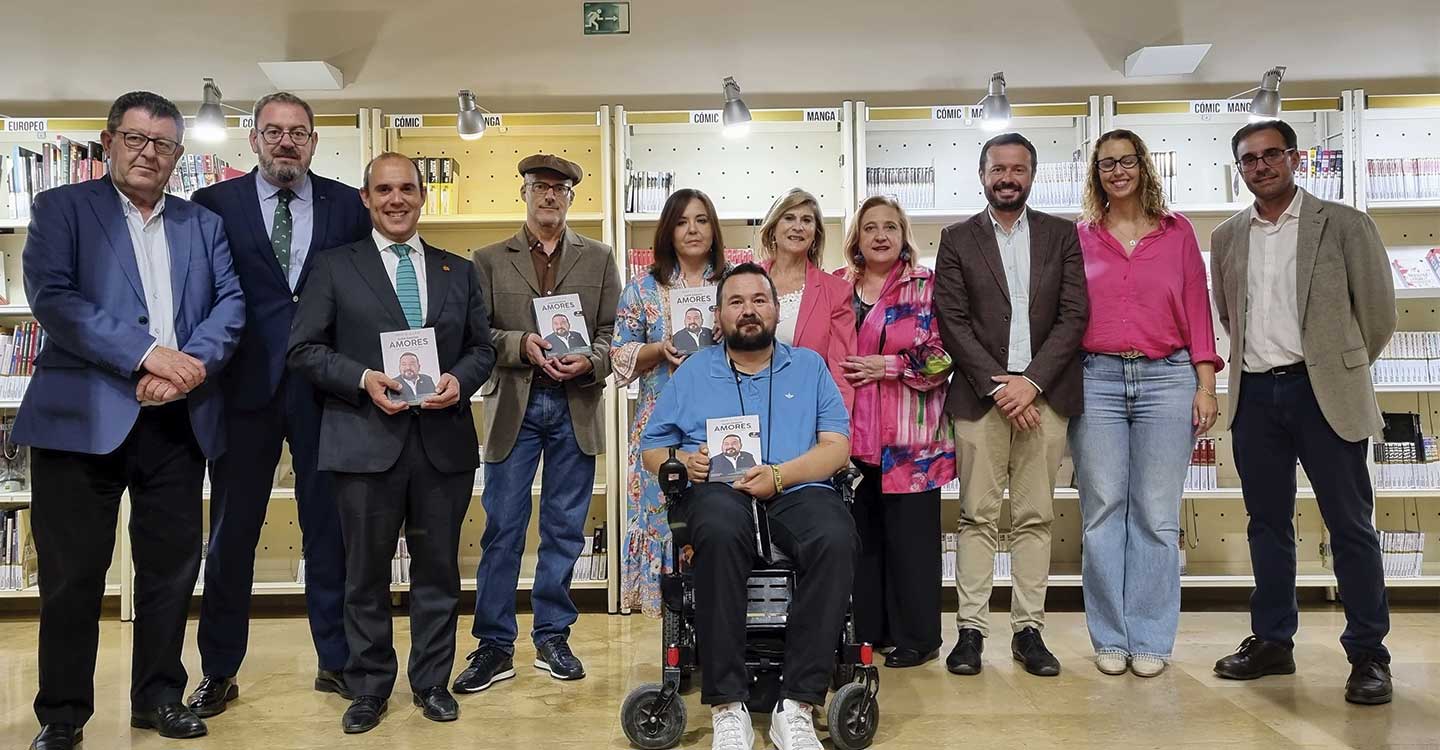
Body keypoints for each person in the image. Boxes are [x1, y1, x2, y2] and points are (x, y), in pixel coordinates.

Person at [16, 91, 245, 749]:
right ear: (110, 140)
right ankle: (62, 715)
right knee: (72, 577)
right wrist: (149, 355)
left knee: (171, 569)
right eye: (137, 139)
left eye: (164, 144)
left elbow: (229, 306)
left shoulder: (201, 224)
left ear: (178, 155)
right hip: (81, 420)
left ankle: (159, 698)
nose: (150, 153)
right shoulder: (62, 209)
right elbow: (56, 299)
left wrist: (185, 369)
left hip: (178, 421)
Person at [287, 152, 496, 733]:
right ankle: (369, 687)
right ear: (366, 198)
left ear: (423, 195)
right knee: (364, 576)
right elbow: (303, 349)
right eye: (384, 190)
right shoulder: (334, 267)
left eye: (407, 188)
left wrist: (459, 381)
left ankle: (431, 683)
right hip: (362, 443)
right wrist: (361, 379)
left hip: (441, 446)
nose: (396, 199)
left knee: (438, 574)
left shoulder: (458, 270)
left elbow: (481, 349)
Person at [186, 91, 371, 718]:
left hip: (326, 392)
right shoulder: (213, 206)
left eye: (298, 132)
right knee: (232, 535)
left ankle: (336, 661)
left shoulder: (350, 205)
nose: (285, 141)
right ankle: (217, 670)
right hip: (242, 393)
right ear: (254, 139)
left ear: (314, 141)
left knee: (330, 532)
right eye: (273, 131)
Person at [1210, 120, 1396, 705]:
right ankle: (1272, 641)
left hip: (1324, 396)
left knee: (1350, 526)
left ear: (1294, 158)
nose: (1260, 166)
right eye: (1248, 159)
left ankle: (1369, 653)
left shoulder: (1343, 224)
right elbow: (1226, 311)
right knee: (1267, 525)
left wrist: (1335, 368)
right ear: (1239, 168)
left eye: (1271, 155)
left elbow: (1378, 314)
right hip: (1255, 396)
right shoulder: (1226, 236)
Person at [640, 263, 855, 750]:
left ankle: (796, 705)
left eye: (759, 299)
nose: (749, 310)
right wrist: (683, 462)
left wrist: (781, 475)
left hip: (797, 489)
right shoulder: (695, 370)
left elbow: (836, 447)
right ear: (718, 315)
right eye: (736, 302)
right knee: (715, 527)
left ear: (777, 310)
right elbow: (653, 448)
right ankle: (727, 706)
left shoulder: (810, 366)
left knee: (837, 536)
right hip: (720, 490)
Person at [458, 154, 621, 691]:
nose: (549, 196)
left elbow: (611, 333)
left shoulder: (598, 259)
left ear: (571, 197)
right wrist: (520, 343)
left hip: (575, 404)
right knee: (502, 527)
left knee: (564, 528)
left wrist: (590, 361)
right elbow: (476, 333)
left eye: (559, 188)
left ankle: (553, 634)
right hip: (514, 408)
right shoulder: (487, 259)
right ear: (523, 193)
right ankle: (494, 645)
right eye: (539, 187)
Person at [934, 132, 1088, 678]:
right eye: (998, 168)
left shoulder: (1061, 234)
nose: (1007, 178)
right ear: (982, 175)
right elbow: (950, 318)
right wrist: (1000, 386)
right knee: (976, 515)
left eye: (1018, 169)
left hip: (1045, 399)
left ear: (1032, 175)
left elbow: (1074, 316)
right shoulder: (956, 238)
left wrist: (1032, 383)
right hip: (981, 399)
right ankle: (970, 632)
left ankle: (1029, 632)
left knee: (1035, 517)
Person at [1068, 129, 1222, 679]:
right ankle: (1110, 635)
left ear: (1143, 166)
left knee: (1157, 516)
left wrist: (1205, 384)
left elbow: (1197, 308)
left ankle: (1152, 636)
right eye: (1106, 163)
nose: (1117, 171)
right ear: (1096, 174)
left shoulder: (1177, 231)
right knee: (1103, 511)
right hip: (1097, 380)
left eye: (1126, 161)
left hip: (1168, 377)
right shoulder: (1080, 236)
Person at [836, 195, 954, 669]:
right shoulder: (839, 288)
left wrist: (884, 366)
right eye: (870, 228)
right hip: (851, 438)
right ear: (857, 239)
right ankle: (870, 630)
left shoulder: (926, 285)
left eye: (890, 226)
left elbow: (944, 358)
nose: (881, 235)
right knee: (862, 540)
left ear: (904, 235)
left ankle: (918, 637)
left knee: (913, 544)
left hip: (912, 440)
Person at [613, 188, 729, 616]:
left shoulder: (733, 283)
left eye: (701, 220)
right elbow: (620, 356)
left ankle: (717, 617)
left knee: (717, 517)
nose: (693, 230)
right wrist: (658, 350)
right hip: (659, 423)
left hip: (721, 424)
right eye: (682, 222)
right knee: (662, 515)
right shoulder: (642, 289)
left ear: (714, 228)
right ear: (668, 231)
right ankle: (673, 627)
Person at [757, 188, 856, 412]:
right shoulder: (744, 280)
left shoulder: (837, 291)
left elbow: (842, 371)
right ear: (773, 228)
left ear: (815, 234)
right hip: (746, 412)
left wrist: (839, 431)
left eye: (807, 220)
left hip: (806, 412)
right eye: (789, 218)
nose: (798, 227)